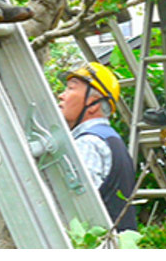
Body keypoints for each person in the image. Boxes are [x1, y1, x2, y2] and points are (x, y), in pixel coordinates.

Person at [57, 62, 139, 232]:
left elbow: (79, 208)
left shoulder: (88, 143)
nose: (61, 96)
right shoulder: (110, 138)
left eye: (71, 89)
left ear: (93, 103)